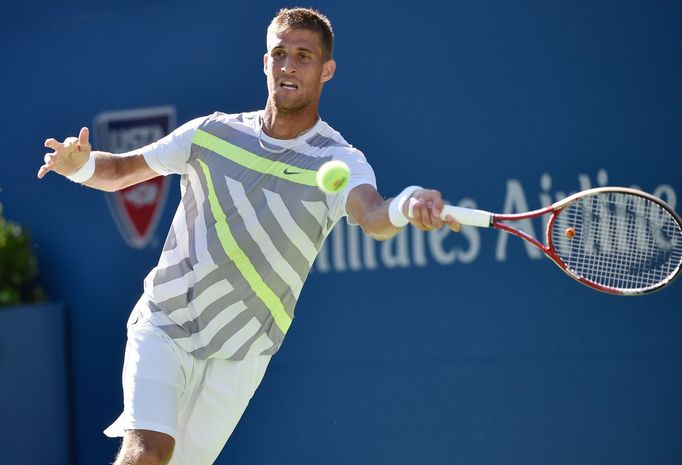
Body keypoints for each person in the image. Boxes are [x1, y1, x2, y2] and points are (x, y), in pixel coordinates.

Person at [37, 7, 460, 465]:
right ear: (265, 63)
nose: (289, 66)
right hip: (166, 323)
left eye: (303, 56)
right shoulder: (211, 134)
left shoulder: (339, 161)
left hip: (241, 354)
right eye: (279, 54)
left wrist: (407, 203)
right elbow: (121, 170)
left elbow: (375, 215)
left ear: (327, 70)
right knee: (147, 453)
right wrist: (79, 165)